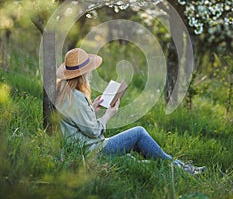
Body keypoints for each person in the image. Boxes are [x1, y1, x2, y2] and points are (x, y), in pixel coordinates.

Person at [55, 48, 205, 175]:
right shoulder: (77, 97)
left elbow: (78, 121)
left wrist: (92, 109)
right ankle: (181, 168)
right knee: (138, 133)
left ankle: (179, 167)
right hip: (91, 151)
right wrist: (107, 116)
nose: (90, 74)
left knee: (132, 159)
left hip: (83, 148)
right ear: (83, 74)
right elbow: (93, 131)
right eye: (88, 71)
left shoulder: (65, 93)